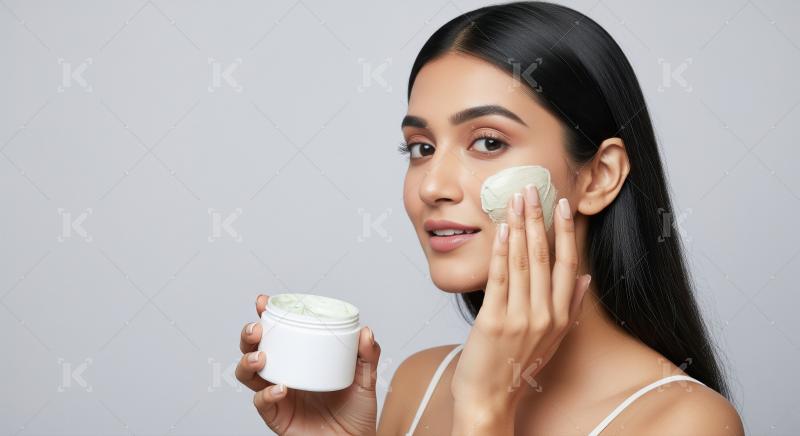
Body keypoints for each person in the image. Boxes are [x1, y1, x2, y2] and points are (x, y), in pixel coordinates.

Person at [236, 2, 745, 434]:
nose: (432, 186)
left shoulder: (683, 420)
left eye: (488, 142)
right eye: (421, 147)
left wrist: (484, 410)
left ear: (599, 176)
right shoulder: (418, 383)